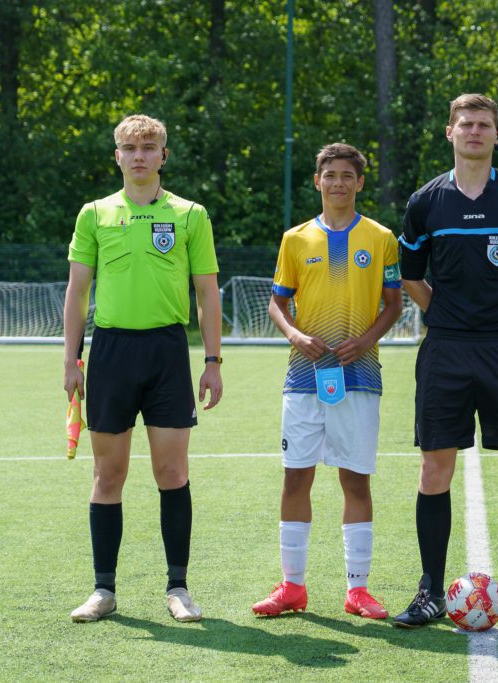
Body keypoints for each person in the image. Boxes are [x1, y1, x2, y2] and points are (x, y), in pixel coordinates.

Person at [394, 93, 498, 630]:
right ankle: (429, 590)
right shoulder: (426, 201)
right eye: (465, 123)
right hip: (445, 349)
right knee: (434, 467)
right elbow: (411, 276)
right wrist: (443, 315)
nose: (474, 131)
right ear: (449, 132)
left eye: (484, 124)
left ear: (496, 134)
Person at [64, 114, 223, 623]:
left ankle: (178, 588)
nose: (139, 156)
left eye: (149, 147)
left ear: (163, 156)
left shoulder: (190, 215)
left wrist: (213, 361)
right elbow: (77, 291)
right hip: (111, 352)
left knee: (172, 472)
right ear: (117, 156)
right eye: (130, 148)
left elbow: (207, 293)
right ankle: (103, 590)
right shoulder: (94, 213)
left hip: (167, 352)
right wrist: (71, 360)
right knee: (108, 474)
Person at [251, 143, 402, 620]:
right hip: (304, 377)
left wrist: (366, 340)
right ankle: (292, 587)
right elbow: (277, 302)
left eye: (347, 176)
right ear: (317, 181)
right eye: (330, 175)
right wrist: (295, 334)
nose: (338, 183)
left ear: (360, 183)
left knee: (354, 479)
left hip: (360, 376)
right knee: (296, 475)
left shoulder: (381, 238)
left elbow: (394, 304)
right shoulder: (295, 239)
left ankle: (358, 590)